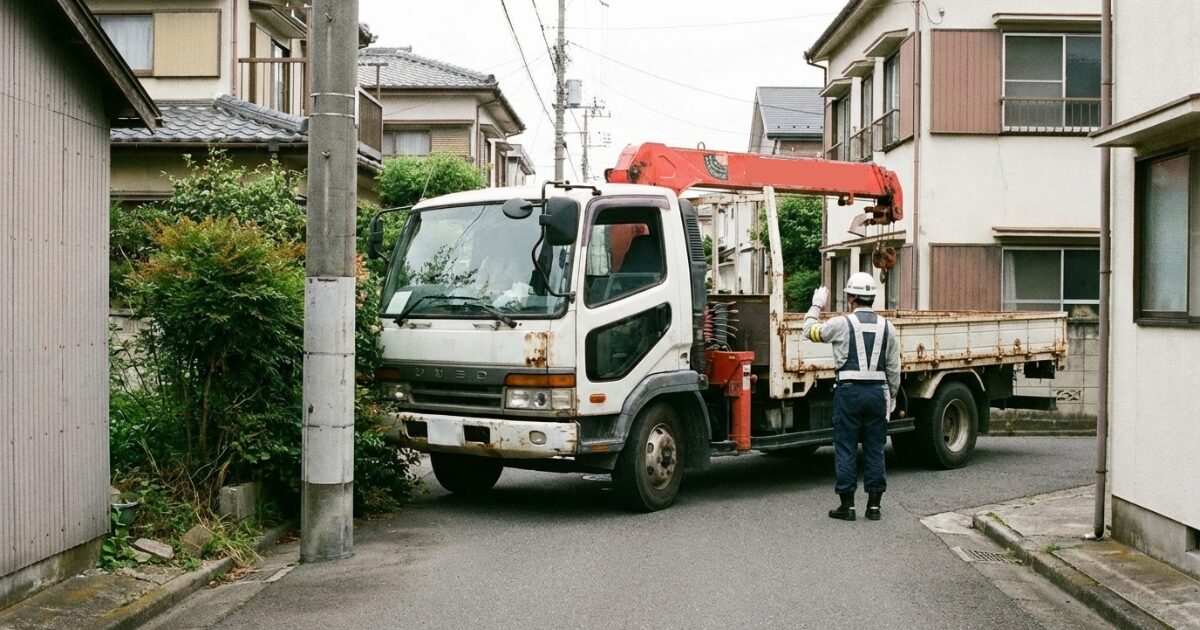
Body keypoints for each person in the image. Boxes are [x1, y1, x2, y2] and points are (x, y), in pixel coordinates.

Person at [801, 272, 900, 521]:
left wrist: (816, 304)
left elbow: (809, 331)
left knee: (845, 447)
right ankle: (874, 506)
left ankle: (848, 506)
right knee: (875, 448)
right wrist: (892, 396)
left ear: (851, 298)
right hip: (877, 393)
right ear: (872, 298)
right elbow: (893, 369)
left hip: (849, 393)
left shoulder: (840, 324)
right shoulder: (888, 328)